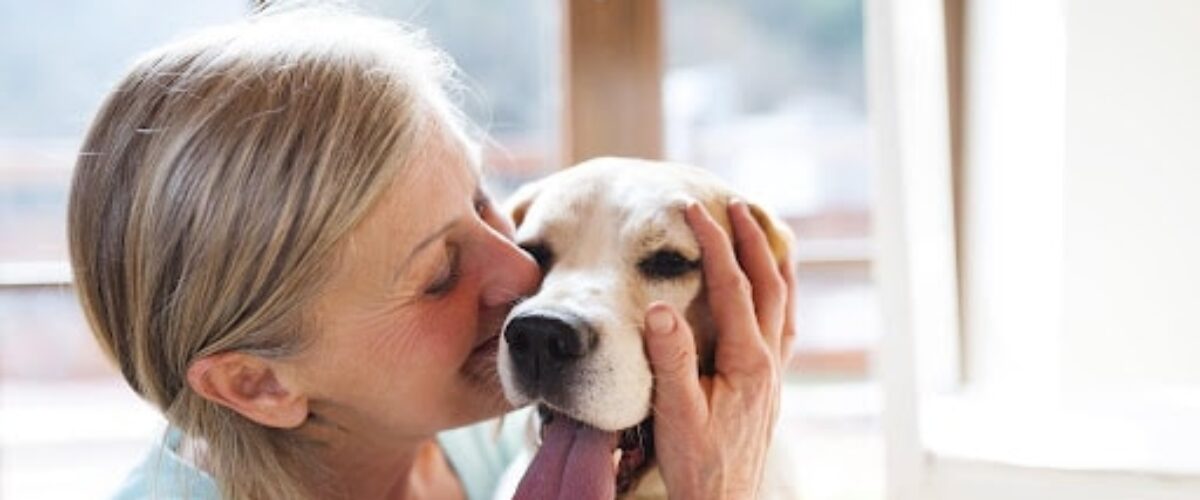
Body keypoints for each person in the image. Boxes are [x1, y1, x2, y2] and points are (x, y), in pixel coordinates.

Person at [68, 6, 795, 499]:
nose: (523, 278)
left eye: (485, 207)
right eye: (439, 275)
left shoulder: (480, 436)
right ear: (259, 384)